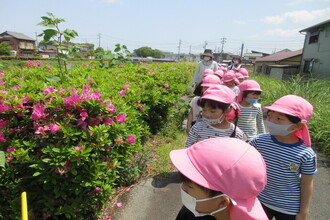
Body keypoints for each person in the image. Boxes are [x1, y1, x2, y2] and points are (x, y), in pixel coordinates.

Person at [249, 95, 317, 220]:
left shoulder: (306, 154)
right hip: (260, 200)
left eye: (279, 119)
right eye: (269, 116)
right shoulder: (259, 140)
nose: (271, 121)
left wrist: (303, 212)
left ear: (297, 126)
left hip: (289, 207)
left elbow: (307, 183)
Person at [171, 137, 268, 220]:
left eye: (190, 187)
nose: (183, 189)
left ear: (223, 202)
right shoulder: (190, 213)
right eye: (184, 183)